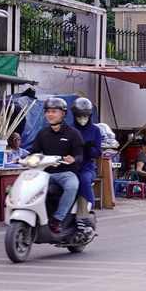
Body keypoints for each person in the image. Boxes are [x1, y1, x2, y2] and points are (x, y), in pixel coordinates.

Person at [26, 97, 84, 234]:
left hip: (66, 173)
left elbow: (80, 156)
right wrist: (21, 158)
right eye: (47, 111)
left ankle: (58, 218)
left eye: (54, 111)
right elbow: (34, 152)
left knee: (72, 186)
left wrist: (73, 159)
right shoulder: (42, 133)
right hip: (45, 173)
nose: (50, 114)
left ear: (63, 114)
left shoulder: (73, 134)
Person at [70, 97, 102, 216]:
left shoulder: (95, 130)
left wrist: (88, 149)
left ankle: (86, 211)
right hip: (69, 166)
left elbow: (97, 153)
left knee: (83, 180)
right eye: (80, 116)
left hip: (86, 167)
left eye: (85, 116)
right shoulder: (68, 129)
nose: (82, 119)